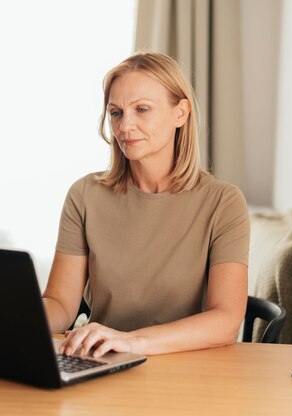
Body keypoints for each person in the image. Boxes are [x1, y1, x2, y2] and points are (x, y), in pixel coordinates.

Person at [42, 52, 249, 358]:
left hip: (189, 366)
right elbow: (60, 304)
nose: (125, 126)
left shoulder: (223, 203)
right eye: (115, 113)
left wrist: (132, 341)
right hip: (102, 361)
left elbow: (226, 320)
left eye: (142, 109)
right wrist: (6, 320)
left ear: (180, 113)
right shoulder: (85, 195)